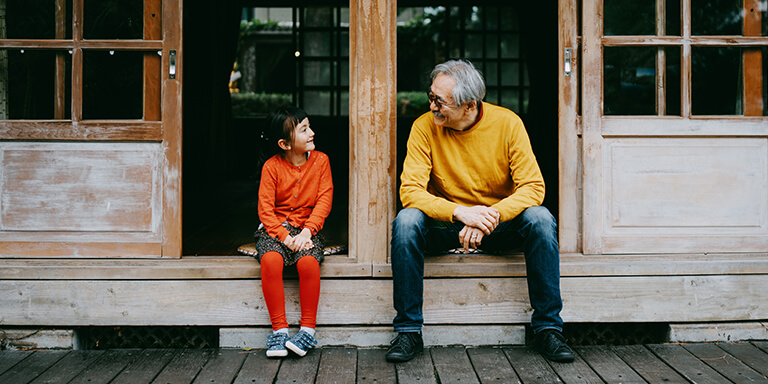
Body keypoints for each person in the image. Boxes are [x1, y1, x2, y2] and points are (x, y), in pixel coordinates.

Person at [386, 60, 574, 363]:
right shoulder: (424, 127)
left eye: (439, 101)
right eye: (431, 96)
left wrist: (489, 216)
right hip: (448, 225)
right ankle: (408, 331)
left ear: (469, 105)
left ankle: (548, 328)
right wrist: (462, 213)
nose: (431, 105)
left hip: (497, 225)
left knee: (540, 218)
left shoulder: (508, 123)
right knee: (406, 222)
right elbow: (410, 191)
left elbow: (533, 187)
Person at [254, 105, 333, 358]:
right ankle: (279, 331)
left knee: (309, 263)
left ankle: (308, 330)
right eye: (304, 130)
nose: (312, 133)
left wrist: (307, 232)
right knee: (270, 260)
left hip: (308, 228)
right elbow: (265, 211)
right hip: (276, 230)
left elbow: (324, 201)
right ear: (284, 143)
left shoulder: (321, 161)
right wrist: (286, 238)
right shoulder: (271, 167)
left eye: (309, 127)